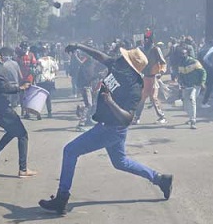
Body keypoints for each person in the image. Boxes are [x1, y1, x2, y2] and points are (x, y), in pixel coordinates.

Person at [38, 44, 173, 215]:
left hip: (111, 128)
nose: (120, 59)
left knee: (70, 151)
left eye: (125, 59)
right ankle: (161, 179)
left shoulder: (134, 88)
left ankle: (61, 198)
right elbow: (100, 56)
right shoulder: (117, 65)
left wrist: (110, 102)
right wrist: (79, 46)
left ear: (130, 67)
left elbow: (127, 118)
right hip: (109, 126)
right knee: (120, 162)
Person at [0, 46, 38, 178]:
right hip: (1, 108)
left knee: (13, 131)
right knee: (23, 134)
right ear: (0, 56)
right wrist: (20, 88)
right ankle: (23, 169)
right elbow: (4, 87)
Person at [134, 39, 167, 125]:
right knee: (141, 98)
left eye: (148, 40)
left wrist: (161, 72)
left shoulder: (156, 49)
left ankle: (162, 116)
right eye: (145, 39)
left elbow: (163, 62)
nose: (146, 41)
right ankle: (137, 117)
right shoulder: (140, 49)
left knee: (153, 97)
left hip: (153, 77)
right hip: (144, 77)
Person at [178, 49, 207, 129]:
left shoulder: (194, 62)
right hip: (186, 86)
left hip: (195, 85)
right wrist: (180, 84)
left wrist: (202, 82)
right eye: (180, 54)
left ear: (187, 53)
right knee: (186, 104)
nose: (182, 55)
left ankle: (193, 121)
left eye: (183, 53)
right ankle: (190, 118)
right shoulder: (180, 63)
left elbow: (203, 72)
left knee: (192, 100)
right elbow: (180, 75)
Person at [35, 47, 59, 119]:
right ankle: (49, 113)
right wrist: (53, 76)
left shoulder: (39, 61)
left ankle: (38, 113)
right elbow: (56, 69)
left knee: (40, 98)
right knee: (48, 98)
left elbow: (37, 71)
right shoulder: (52, 59)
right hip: (49, 81)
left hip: (41, 81)